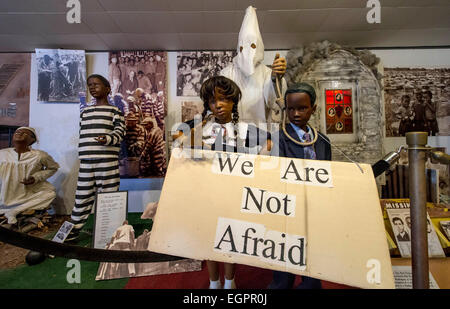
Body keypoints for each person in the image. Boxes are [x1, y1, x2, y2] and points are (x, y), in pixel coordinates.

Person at [173, 76, 272, 289]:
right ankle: (213, 281)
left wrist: (254, 166)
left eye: (224, 99)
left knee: (230, 238)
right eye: (212, 100)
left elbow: (270, 143)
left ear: (233, 101)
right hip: (205, 193)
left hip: (233, 193)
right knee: (209, 237)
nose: (218, 105)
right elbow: (179, 141)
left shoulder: (245, 130)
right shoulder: (200, 127)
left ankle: (230, 281)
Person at [268, 82, 331, 290]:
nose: (295, 113)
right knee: (285, 257)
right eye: (291, 108)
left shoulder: (322, 141)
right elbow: (277, 175)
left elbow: (327, 172)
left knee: (313, 256)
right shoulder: (280, 139)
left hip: (314, 207)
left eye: (302, 108)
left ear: (313, 108)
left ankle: (311, 284)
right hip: (288, 207)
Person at [65, 74, 125, 242]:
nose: (92, 87)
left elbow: (120, 132)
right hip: (86, 160)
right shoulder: (85, 112)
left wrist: (107, 139)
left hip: (106, 159)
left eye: (97, 84)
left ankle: (110, 229)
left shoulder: (115, 111)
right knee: (82, 195)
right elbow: (82, 132)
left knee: (109, 195)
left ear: (108, 89)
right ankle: (74, 228)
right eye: (90, 85)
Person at [221, 6, 287, 125]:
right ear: (239, 48)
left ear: (259, 46)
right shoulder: (226, 74)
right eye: (243, 47)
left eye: (252, 46)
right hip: (232, 132)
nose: (247, 52)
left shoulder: (267, 73)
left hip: (260, 133)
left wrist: (275, 79)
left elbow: (275, 105)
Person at [0, 127, 59, 224]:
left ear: (32, 140)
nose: (19, 133)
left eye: (24, 133)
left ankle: (14, 211)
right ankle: (5, 208)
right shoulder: (2, 154)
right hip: (4, 192)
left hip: (27, 193)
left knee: (50, 194)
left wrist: (36, 177)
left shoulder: (40, 155)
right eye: (17, 132)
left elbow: (53, 168)